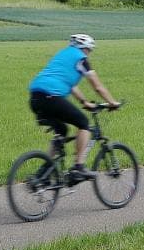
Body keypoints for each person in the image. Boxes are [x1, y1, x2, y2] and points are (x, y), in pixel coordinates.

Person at [27, 32, 121, 182]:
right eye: (89, 50)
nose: (89, 54)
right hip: (52, 97)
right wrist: (112, 102)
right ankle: (78, 168)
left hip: (35, 99)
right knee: (83, 124)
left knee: (62, 131)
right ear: (85, 48)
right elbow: (97, 87)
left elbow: (71, 85)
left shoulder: (62, 55)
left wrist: (84, 102)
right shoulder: (81, 59)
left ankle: (43, 174)